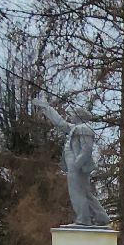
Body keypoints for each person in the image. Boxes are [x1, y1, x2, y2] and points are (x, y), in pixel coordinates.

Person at [32, 97, 111, 227]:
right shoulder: (76, 128)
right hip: (75, 166)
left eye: (73, 115)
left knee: (77, 192)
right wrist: (46, 108)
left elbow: (86, 149)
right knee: (84, 192)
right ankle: (101, 217)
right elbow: (60, 123)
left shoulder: (84, 129)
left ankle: (83, 220)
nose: (70, 117)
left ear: (79, 116)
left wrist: (76, 165)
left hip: (77, 167)